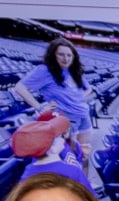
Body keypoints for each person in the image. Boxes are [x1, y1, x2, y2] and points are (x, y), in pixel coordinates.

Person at [10, 36, 96, 181]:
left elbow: (89, 89)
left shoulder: (74, 71)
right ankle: (74, 185)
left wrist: (77, 99)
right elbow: (19, 87)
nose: (66, 58)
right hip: (67, 119)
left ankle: (85, 182)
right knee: (71, 156)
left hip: (83, 116)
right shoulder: (45, 71)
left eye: (69, 55)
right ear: (53, 55)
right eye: (61, 54)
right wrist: (39, 107)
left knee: (85, 152)